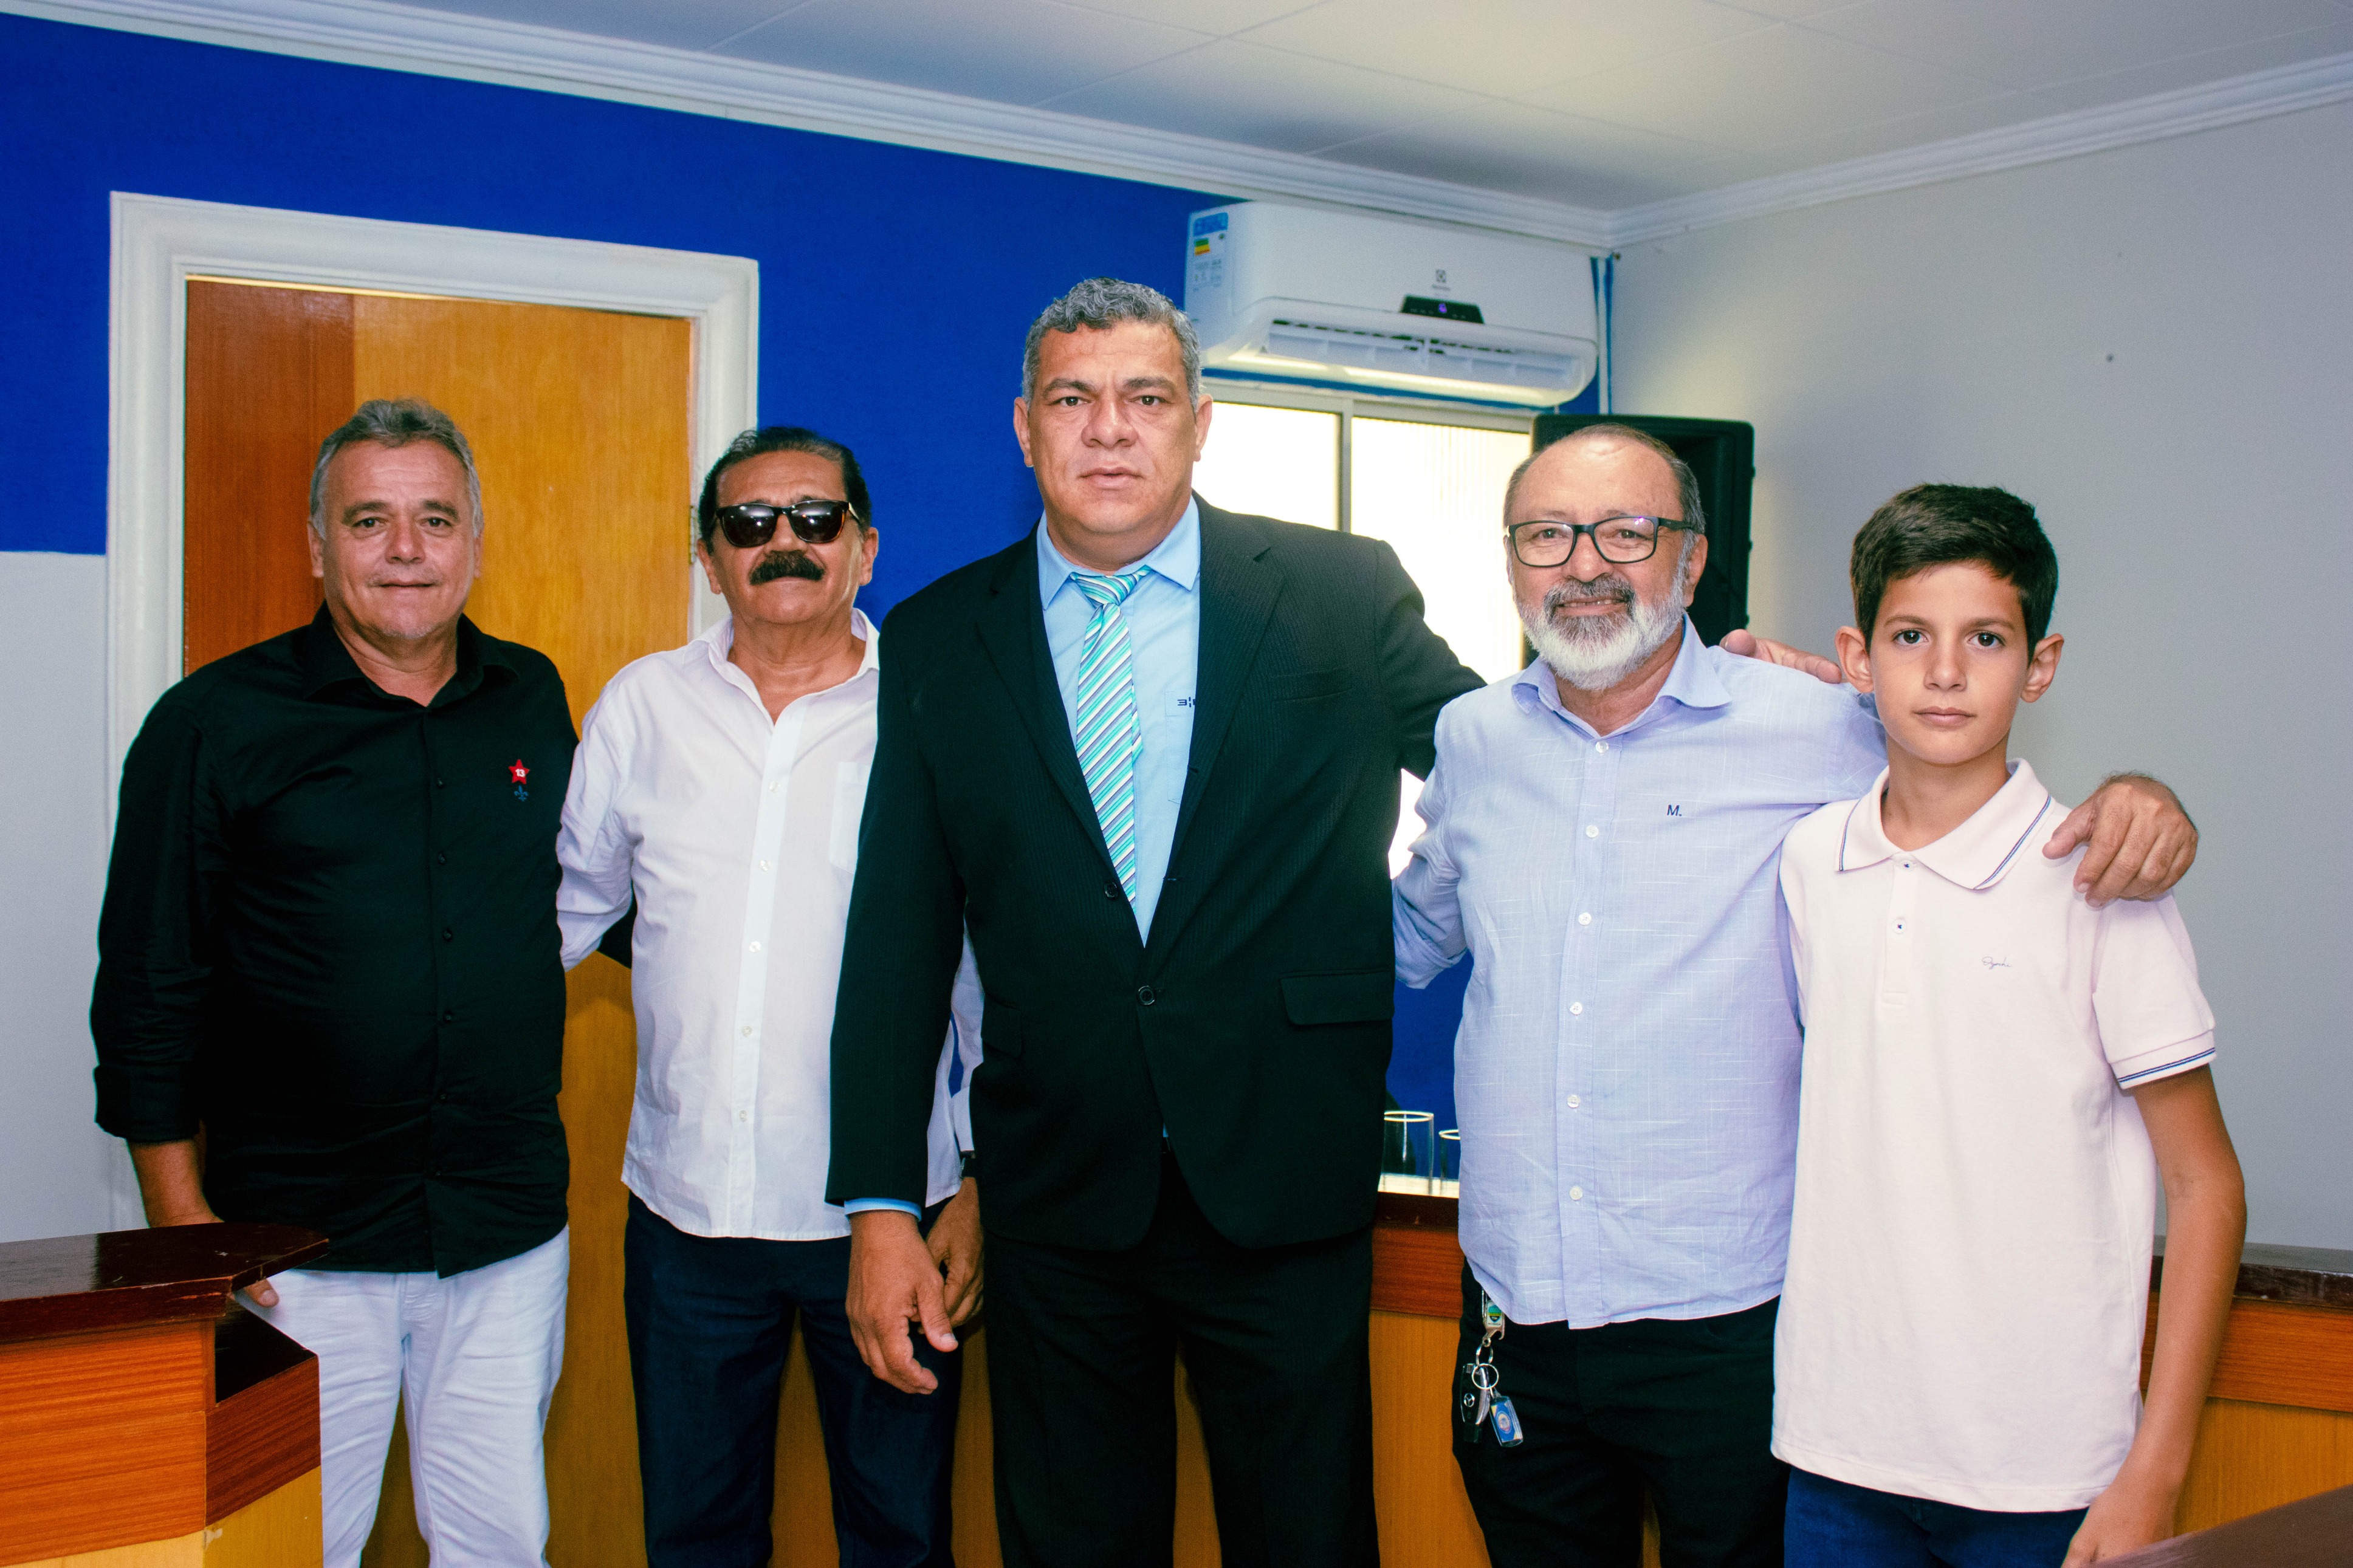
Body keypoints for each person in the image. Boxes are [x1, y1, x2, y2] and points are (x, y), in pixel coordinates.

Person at [1392, 424, 2201, 1568]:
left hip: (1732, 1328)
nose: (1583, 564)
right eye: (1546, 534)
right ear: (1512, 560)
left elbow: (1970, 763)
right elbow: (1404, 938)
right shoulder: (1472, 740)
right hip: (1516, 1316)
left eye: (1627, 532)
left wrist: (2141, 797)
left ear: (1692, 558)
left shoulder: (1816, 721)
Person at [825, 277, 1482, 1568]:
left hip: (1283, 1174)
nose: (1110, 429)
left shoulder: (1338, 590)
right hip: (1058, 1196)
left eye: (1146, 398)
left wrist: (1694, 693)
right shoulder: (942, 636)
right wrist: (880, 1203)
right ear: (1025, 428)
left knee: (1305, 1543)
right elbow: (898, 930)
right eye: (1073, 400)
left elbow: (1499, 765)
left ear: (1199, 422)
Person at [91, 399, 575, 1568]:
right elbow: (149, 984)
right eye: (370, 521)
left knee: (503, 1542)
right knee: (292, 1545)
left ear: (474, 541)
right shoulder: (212, 723)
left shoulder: (531, 696)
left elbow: (598, 897)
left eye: (435, 519)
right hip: (293, 1253)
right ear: (319, 545)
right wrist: (184, 1224)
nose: (407, 549)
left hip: (503, 1233)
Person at [1774, 484, 2244, 1566]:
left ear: (2040, 664)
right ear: (1856, 657)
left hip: (2049, 1476)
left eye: (1986, 638)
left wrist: (2155, 1473)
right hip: (1838, 1457)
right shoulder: (1810, 862)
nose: (1945, 670)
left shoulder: (2103, 878)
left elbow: (2206, 1184)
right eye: (1910, 636)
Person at [557, 426, 982, 1568]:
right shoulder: (641, 709)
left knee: (900, 1537)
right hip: (686, 1219)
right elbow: (565, 915)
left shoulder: (935, 713)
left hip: (887, 1221)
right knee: (696, 1538)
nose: (783, 541)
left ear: (866, 547)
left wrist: (980, 1178)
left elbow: (990, 969)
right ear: (709, 558)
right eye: (748, 523)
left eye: (815, 518)